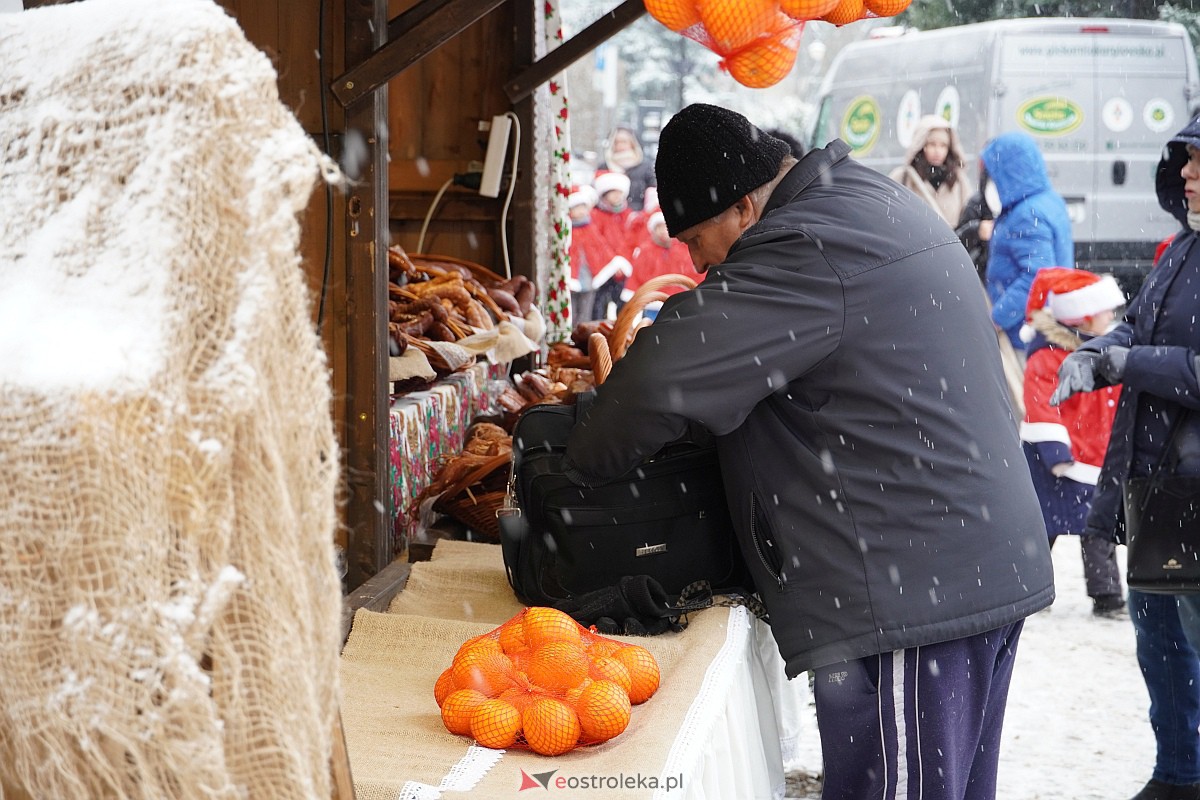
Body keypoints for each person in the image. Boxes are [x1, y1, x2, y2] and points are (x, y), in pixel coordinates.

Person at [563, 103, 1054, 799]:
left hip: (913, 597)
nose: (697, 262)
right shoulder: (859, 200)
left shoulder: (803, 248)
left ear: (743, 206)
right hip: (963, 566)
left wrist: (577, 461)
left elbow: (658, 381)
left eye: (698, 239)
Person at [1051, 115, 1200, 800]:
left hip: (1193, 491)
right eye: (1185, 160)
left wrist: (1129, 361)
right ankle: (1177, 773)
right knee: (1160, 644)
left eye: (1199, 161)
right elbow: (1138, 319)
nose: (1189, 173)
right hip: (1156, 488)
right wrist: (1094, 352)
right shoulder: (1179, 250)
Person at [1018, 267, 1127, 617]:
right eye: (1104, 310)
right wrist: (1055, 452)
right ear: (1084, 316)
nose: (1112, 316)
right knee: (1042, 530)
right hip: (1057, 460)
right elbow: (1041, 405)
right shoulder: (1047, 358)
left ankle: (1106, 594)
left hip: (1094, 457)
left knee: (1098, 531)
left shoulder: (1103, 350)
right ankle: (1029, 592)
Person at [981, 131, 1074, 352]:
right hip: (1044, 324)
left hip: (1023, 333)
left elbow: (1037, 279)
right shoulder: (1047, 200)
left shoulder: (1026, 214)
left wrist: (996, 319)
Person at [888, 114, 972, 227]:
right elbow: (888, 212)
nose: (938, 151)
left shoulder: (959, 180)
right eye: (932, 144)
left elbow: (968, 218)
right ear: (922, 146)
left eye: (943, 146)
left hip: (949, 242)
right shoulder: (903, 177)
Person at [565, 184, 630, 323]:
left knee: (588, 306)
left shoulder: (590, 227)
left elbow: (601, 246)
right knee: (572, 306)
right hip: (572, 274)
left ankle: (584, 329)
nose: (581, 212)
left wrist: (612, 263)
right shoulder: (567, 230)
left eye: (583, 207)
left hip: (589, 274)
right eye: (577, 208)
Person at [621, 210, 701, 321]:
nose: (663, 232)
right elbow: (638, 275)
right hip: (653, 302)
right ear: (653, 230)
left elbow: (692, 273)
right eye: (659, 228)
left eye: (666, 228)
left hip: (678, 301)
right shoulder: (646, 250)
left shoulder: (682, 250)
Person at [590, 170, 639, 319]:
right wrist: (612, 262)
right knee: (598, 304)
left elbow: (631, 241)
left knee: (622, 305)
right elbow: (597, 242)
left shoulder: (629, 216)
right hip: (603, 268)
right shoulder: (596, 216)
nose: (617, 196)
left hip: (624, 269)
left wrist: (623, 262)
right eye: (613, 193)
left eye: (619, 193)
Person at [955, 161, 1000, 284]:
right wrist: (976, 231)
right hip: (981, 282)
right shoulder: (976, 204)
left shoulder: (1023, 207)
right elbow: (956, 247)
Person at [600, 125, 656, 211]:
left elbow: (654, 194)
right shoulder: (605, 167)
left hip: (638, 217)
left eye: (624, 141)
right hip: (610, 217)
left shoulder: (645, 167)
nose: (620, 145)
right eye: (616, 142)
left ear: (632, 143)